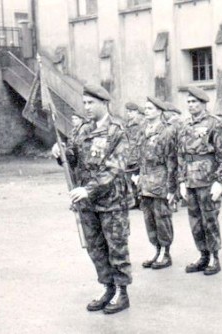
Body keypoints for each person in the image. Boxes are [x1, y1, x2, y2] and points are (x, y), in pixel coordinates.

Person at [51, 84, 132, 314]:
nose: (86, 107)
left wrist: (89, 189)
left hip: (111, 201)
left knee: (116, 247)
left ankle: (122, 293)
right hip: (87, 202)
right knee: (95, 247)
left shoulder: (117, 130)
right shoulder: (82, 129)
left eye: (91, 103)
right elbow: (74, 158)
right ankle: (107, 287)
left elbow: (115, 168)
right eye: (84, 103)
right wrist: (61, 152)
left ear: (104, 103)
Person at [177, 86, 222, 276]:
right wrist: (181, 181)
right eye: (189, 102)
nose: (190, 105)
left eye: (194, 102)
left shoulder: (214, 124)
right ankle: (203, 254)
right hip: (191, 181)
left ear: (203, 103)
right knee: (195, 221)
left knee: (210, 220)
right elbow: (181, 155)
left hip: (208, 179)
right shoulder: (184, 126)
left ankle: (215, 257)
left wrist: (219, 181)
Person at [138, 96, 177, 270]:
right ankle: (157, 249)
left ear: (160, 111)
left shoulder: (167, 131)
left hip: (161, 180)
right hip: (146, 180)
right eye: (145, 108)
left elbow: (171, 160)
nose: (147, 111)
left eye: (150, 108)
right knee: (149, 218)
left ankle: (165, 252)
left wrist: (172, 186)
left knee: (162, 218)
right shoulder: (143, 129)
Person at [124, 102, 144, 209]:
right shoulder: (127, 124)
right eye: (127, 112)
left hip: (137, 155)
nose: (129, 114)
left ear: (136, 112)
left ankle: (141, 200)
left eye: (131, 112)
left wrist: (139, 155)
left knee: (139, 179)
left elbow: (139, 142)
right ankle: (135, 200)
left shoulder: (140, 124)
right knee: (130, 179)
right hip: (129, 155)